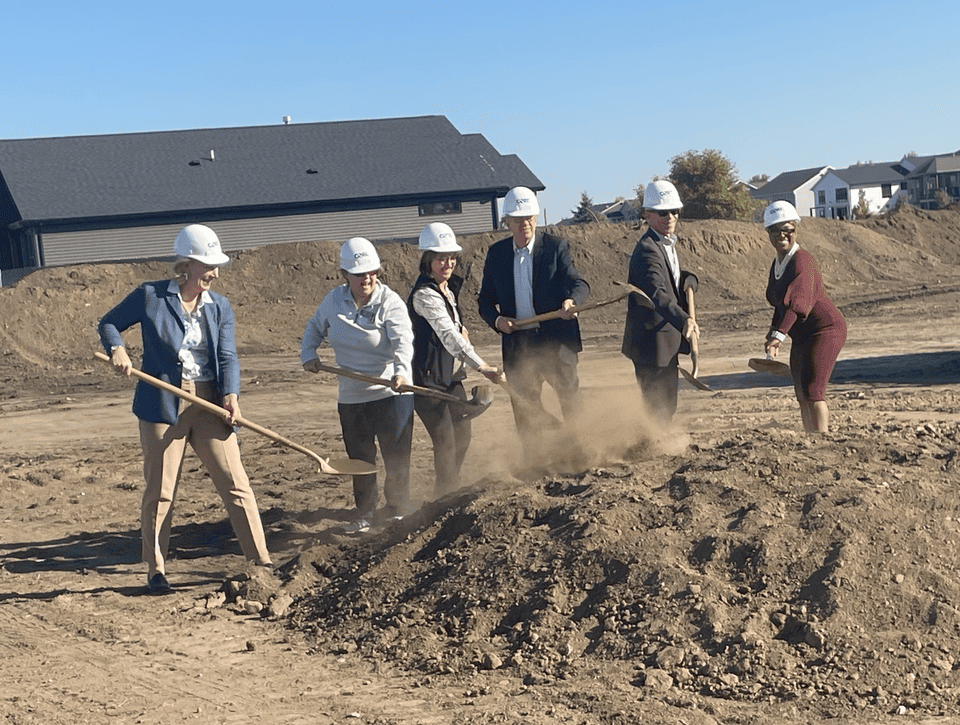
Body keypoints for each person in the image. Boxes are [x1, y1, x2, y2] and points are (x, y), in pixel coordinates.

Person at [98, 224, 272, 595]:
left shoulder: (219, 306)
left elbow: (227, 355)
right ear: (188, 265)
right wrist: (117, 348)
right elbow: (109, 322)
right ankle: (156, 569)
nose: (215, 273)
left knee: (236, 484)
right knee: (161, 490)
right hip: (162, 404)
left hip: (209, 401)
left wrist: (231, 396)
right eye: (208, 265)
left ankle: (261, 562)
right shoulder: (151, 297)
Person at [301, 237, 414, 533]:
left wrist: (402, 373)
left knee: (396, 455)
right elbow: (314, 326)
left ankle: (397, 510)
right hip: (352, 397)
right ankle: (364, 512)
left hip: (391, 392)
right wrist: (309, 353)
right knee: (360, 458)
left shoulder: (390, 302)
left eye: (372, 272)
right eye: (360, 273)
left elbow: (403, 341)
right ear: (345, 275)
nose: (367, 278)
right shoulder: (333, 301)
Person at [478, 186, 590, 457]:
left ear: (536, 218)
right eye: (517, 219)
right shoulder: (497, 255)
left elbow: (579, 283)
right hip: (519, 344)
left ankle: (579, 453)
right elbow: (484, 303)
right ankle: (535, 459)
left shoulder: (555, 247)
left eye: (528, 217)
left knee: (569, 397)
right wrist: (498, 321)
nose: (524, 223)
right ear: (507, 222)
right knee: (525, 406)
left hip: (555, 339)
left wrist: (571, 302)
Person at [408, 222, 503, 496]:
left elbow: (456, 333)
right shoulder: (425, 295)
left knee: (462, 436)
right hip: (428, 382)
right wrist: (482, 367)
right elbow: (450, 337)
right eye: (440, 258)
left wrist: (463, 333)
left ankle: (447, 488)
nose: (447, 263)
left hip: (451, 378)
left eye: (451, 258)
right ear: (427, 260)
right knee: (445, 441)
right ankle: (445, 495)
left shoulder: (447, 290)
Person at [762, 201, 847, 433]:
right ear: (768, 233)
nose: (782, 235)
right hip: (802, 335)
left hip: (824, 330)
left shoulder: (802, 260)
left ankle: (821, 439)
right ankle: (810, 437)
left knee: (813, 390)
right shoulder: (778, 263)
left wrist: (779, 336)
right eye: (775, 230)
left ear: (795, 230)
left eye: (787, 229)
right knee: (800, 392)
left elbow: (798, 303)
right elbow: (781, 305)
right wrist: (772, 332)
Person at [621, 179, 700, 425]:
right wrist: (684, 318)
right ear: (647, 215)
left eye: (675, 211)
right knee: (657, 407)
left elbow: (671, 280)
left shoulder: (664, 243)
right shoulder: (647, 249)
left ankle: (657, 444)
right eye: (663, 213)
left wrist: (689, 280)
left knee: (666, 406)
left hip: (664, 342)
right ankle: (652, 449)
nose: (670, 217)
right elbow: (657, 294)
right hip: (650, 344)